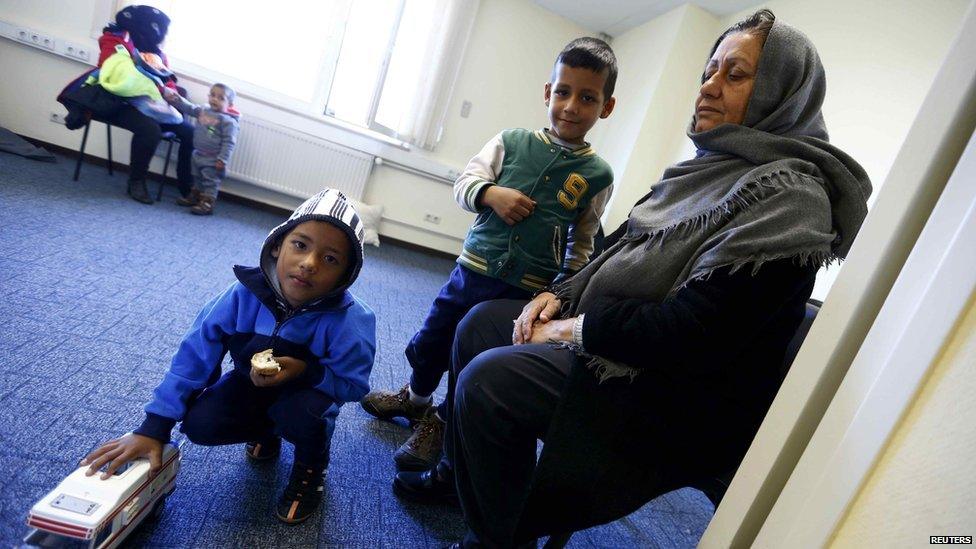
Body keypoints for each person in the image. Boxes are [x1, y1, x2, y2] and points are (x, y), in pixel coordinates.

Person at [396, 10, 873, 548]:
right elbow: (613, 248)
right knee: (479, 323)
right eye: (709, 71)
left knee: (492, 379)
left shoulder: (790, 201)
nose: (709, 87)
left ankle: (499, 538)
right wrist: (557, 296)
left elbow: (694, 334)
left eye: (735, 75)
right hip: (624, 343)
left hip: (673, 389)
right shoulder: (698, 175)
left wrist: (572, 329)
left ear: (783, 93)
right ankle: (465, 484)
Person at [360, 37, 618, 474]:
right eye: (562, 92)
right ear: (547, 93)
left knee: (475, 355)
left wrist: (563, 289)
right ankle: (416, 400)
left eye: (587, 98)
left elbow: (585, 239)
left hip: (523, 290)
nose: (571, 106)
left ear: (606, 107)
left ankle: (442, 421)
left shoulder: (598, 174)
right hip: (473, 271)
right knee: (433, 339)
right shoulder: (511, 141)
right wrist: (491, 194)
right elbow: (464, 184)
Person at [81, 188, 377, 525]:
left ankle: (311, 469)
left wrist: (306, 373)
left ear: (345, 275)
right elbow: (196, 352)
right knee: (201, 424)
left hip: (306, 398)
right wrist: (156, 426)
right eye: (300, 245)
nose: (308, 263)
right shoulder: (242, 294)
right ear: (277, 245)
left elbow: (355, 386)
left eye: (330, 259)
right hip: (249, 384)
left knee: (304, 416)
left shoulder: (353, 320)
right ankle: (267, 432)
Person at [98, 5, 195, 205]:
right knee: (150, 130)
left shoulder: (157, 53)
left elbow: (167, 79)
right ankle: (136, 181)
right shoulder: (114, 39)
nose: (161, 35)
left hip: (153, 103)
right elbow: (113, 72)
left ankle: (187, 186)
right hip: (120, 101)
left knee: (190, 132)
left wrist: (172, 94)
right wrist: (158, 88)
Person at [164, 83, 241, 215]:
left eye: (221, 98)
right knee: (197, 177)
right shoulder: (203, 110)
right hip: (197, 154)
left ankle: (207, 202)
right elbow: (189, 108)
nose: (214, 99)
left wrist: (222, 159)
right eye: (212, 95)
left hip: (213, 158)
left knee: (210, 181)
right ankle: (195, 197)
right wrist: (176, 99)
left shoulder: (228, 121)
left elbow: (229, 142)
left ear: (230, 104)